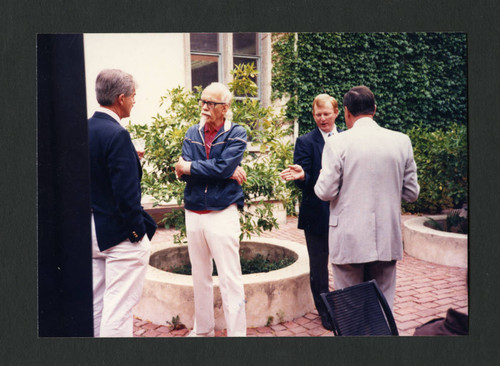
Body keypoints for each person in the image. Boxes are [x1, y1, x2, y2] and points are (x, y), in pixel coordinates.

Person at [314, 86, 419, 310]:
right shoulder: (401, 141)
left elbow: (325, 192)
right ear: (375, 109)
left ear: (346, 112)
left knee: (351, 312)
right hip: (386, 237)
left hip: (348, 238)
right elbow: (411, 193)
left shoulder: (337, 143)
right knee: (382, 310)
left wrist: (322, 177)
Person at [175, 82, 247, 337]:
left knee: (230, 278)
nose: (204, 107)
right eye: (202, 101)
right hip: (194, 212)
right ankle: (203, 331)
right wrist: (223, 171)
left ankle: (238, 337)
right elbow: (184, 174)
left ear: (225, 108)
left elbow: (220, 168)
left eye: (210, 103)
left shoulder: (237, 132)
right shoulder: (191, 132)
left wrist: (195, 167)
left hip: (222, 213)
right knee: (199, 275)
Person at [88, 69, 157, 337]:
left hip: (90, 231)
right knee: (118, 310)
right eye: (133, 96)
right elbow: (127, 195)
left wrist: (130, 157)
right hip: (118, 235)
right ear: (120, 98)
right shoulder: (117, 135)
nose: (134, 101)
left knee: (95, 304)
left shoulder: (84, 128)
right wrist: (137, 233)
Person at [279, 94, 342, 330]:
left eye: (326, 113)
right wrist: (304, 175)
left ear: (336, 113)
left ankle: (345, 305)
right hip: (317, 214)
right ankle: (325, 312)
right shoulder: (305, 142)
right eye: (318, 114)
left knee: (346, 262)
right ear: (313, 115)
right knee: (318, 267)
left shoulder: (347, 139)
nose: (322, 118)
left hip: (344, 213)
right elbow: (301, 180)